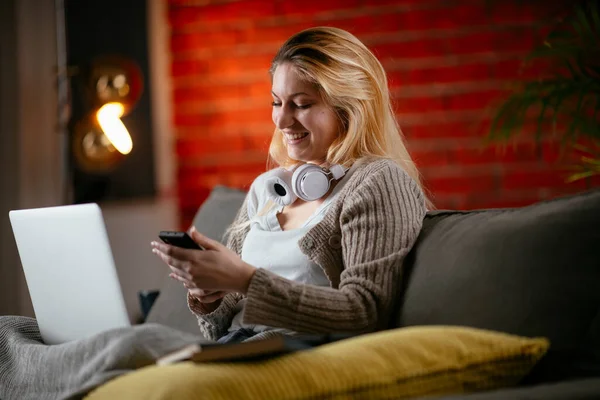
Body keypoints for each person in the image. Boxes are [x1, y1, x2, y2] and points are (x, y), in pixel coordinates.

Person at [151, 26, 428, 344]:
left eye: (301, 104)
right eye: (276, 102)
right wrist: (210, 293)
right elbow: (217, 328)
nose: (281, 121)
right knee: (125, 345)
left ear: (350, 108)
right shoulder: (268, 188)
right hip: (238, 347)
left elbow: (365, 312)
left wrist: (247, 280)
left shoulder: (379, 182)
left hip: (296, 354)